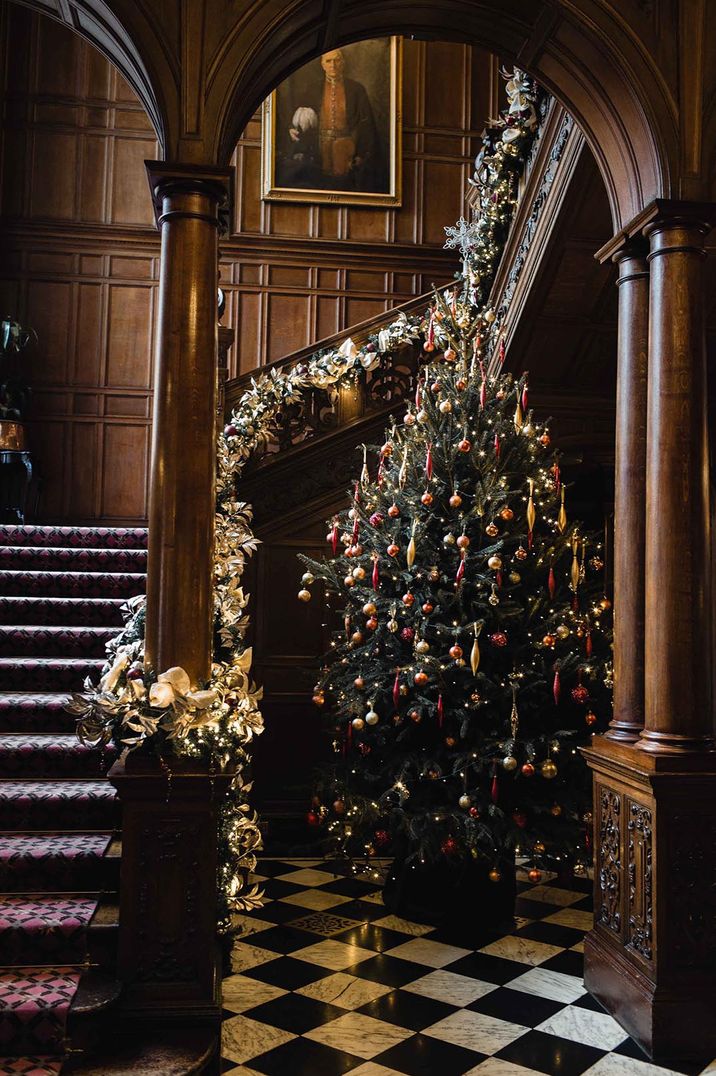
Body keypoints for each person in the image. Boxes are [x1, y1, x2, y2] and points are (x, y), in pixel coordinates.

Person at [277, 49, 383, 192]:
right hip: (318, 150)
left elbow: (366, 123)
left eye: (337, 60)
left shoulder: (356, 89)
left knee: (344, 186)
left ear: (343, 63)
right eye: (328, 61)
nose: (333, 65)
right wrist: (292, 127)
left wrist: (361, 154)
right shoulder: (312, 89)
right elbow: (300, 116)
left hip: (347, 149)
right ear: (322, 65)